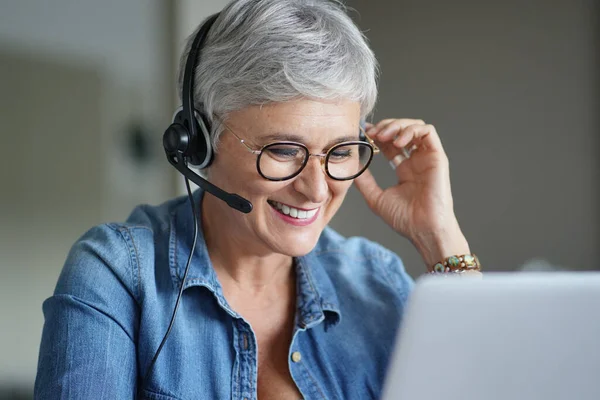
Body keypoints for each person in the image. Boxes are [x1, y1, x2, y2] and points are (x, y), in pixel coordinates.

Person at [34, 0, 480, 399]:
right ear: (201, 143)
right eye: (284, 150)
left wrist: (440, 236)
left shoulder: (375, 280)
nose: (318, 189)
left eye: (340, 152)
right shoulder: (117, 275)